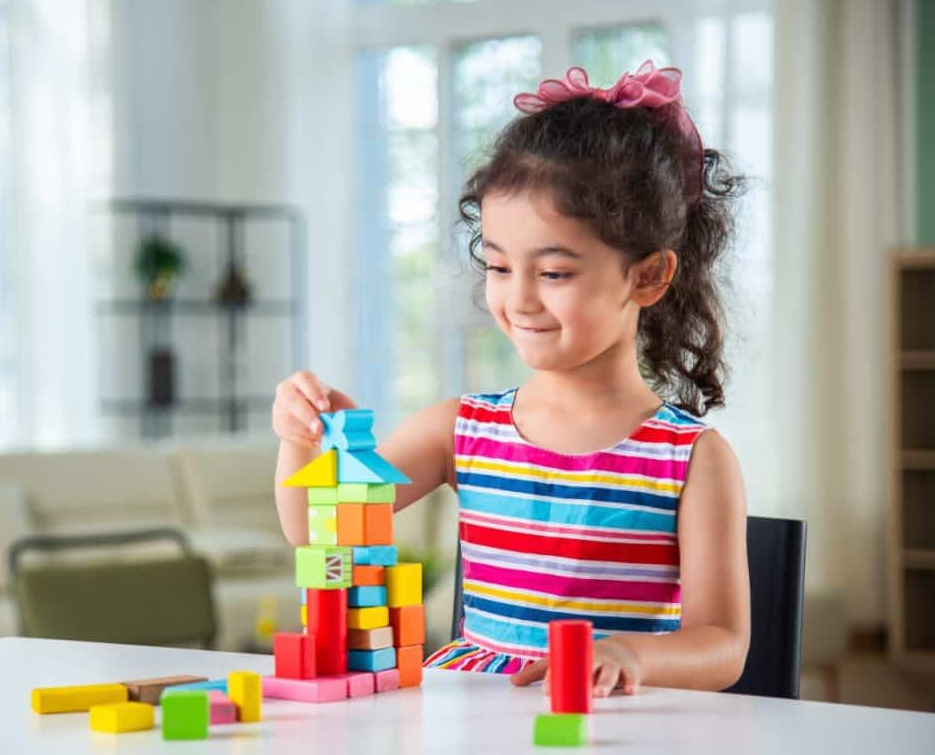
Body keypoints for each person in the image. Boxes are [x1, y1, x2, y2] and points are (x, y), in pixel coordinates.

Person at [273, 62, 749, 697]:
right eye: (499, 267)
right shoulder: (461, 429)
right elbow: (316, 528)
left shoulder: (691, 459)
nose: (518, 299)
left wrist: (631, 654)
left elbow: (722, 645)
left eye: (553, 273)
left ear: (648, 277)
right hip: (469, 715)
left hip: (606, 723)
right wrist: (298, 438)